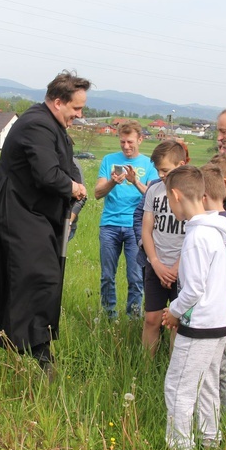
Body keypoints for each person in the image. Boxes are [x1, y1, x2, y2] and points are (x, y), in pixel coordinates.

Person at [0, 71, 90, 373]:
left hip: (30, 211)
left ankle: (19, 340)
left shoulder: (51, 124)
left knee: (30, 277)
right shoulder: (37, 124)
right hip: (14, 210)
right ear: (58, 102)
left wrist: (72, 182)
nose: (80, 114)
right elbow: (48, 174)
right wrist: (73, 187)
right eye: (76, 108)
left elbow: (63, 163)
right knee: (38, 276)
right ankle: (36, 350)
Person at [160, 165, 226, 450]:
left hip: (200, 326)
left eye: (168, 198)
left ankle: (180, 448)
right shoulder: (217, 230)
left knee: (179, 386)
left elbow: (192, 289)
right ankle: (210, 439)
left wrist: (174, 312)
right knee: (207, 384)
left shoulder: (195, 238)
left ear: (176, 195)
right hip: (220, 324)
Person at [95, 121, 158, 318]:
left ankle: (133, 316)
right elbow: (97, 193)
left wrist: (134, 181)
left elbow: (153, 196)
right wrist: (113, 182)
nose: (126, 146)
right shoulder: (108, 160)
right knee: (107, 275)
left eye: (130, 142)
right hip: (110, 225)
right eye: (122, 142)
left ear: (140, 139)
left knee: (136, 276)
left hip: (135, 227)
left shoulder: (149, 164)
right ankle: (108, 315)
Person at [199, 163, 226, 428]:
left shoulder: (215, 227)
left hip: (216, 311)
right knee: (221, 368)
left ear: (202, 197)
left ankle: (222, 425)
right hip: (225, 306)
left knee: (218, 369)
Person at [141, 140, 187, 356]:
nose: (160, 174)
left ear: (181, 164)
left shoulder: (192, 193)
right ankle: (146, 368)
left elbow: (193, 235)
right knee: (152, 318)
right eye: (158, 169)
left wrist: (177, 267)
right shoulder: (154, 191)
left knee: (177, 322)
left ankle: (174, 367)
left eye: (165, 170)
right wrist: (156, 263)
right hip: (156, 264)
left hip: (183, 268)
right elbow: (147, 230)